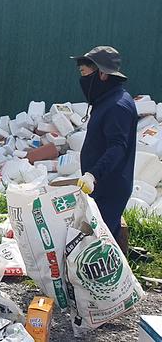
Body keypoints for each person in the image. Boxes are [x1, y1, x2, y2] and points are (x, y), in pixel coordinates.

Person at [71, 46, 137, 239]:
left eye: (84, 72)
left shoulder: (117, 106)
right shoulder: (107, 100)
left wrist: (93, 174)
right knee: (97, 237)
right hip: (101, 184)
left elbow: (118, 146)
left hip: (109, 186)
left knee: (102, 241)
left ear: (102, 74)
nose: (82, 79)